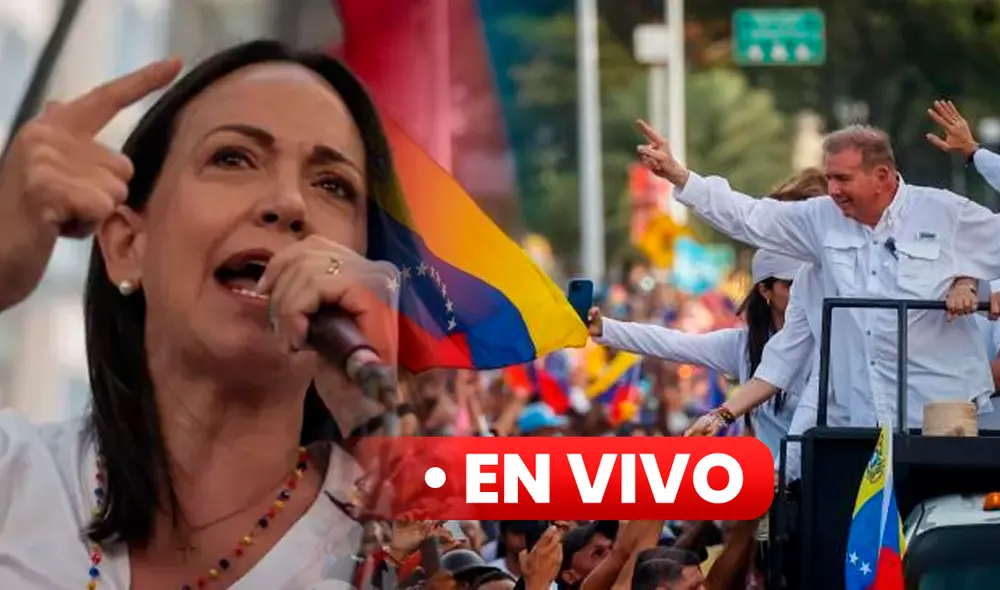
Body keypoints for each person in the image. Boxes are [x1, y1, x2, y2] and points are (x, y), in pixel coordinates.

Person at [0, 40, 419, 588]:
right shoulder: (18, 478)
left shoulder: (401, 536)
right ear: (128, 243)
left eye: (332, 185)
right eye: (233, 158)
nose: (290, 203)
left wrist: (376, 428)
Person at [636, 119, 1000, 429]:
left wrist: (976, 284)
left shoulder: (944, 213)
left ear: (883, 176)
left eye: (843, 179)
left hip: (943, 418)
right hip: (862, 425)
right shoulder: (820, 219)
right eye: (829, 179)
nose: (834, 190)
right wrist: (680, 176)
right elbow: (751, 217)